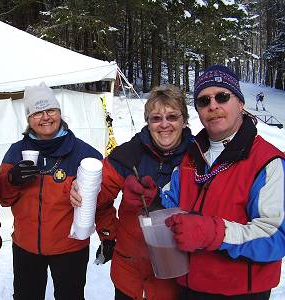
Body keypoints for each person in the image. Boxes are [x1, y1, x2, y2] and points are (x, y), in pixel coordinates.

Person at [157, 65, 285, 299]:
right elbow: (171, 203)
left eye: (222, 97)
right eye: (204, 101)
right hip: (187, 287)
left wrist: (216, 232)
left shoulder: (267, 161)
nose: (213, 106)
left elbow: (275, 237)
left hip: (239, 293)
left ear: (240, 103)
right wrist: (148, 195)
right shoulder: (190, 156)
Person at [0, 82, 116, 300]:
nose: (45, 117)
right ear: (29, 119)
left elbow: (102, 200)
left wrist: (107, 234)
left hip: (70, 247)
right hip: (26, 247)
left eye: (50, 110)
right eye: (37, 112)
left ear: (59, 113)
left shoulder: (85, 154)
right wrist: (12, 180)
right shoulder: (16, 152)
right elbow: (2, 197)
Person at [71, 84, 192, 299]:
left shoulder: (199, 157)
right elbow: (98, 196)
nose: (164, 124)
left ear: (184, 120)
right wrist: (109, 232)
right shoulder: (129, 155)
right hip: (130, 275)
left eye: (172, 116)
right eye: (156, 118)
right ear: (147, 122)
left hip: (178, 279)